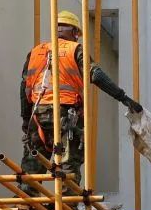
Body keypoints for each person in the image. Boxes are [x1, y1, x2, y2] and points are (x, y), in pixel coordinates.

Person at [19, 11, 139, 189]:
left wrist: (25, 118)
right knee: (68, 166)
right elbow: (96, 75)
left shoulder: (35, 53)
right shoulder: (75, 49)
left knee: (32, 166)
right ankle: (65, 201)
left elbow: (24, 88)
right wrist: (123, 98)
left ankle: (28, 197)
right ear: (74, 31)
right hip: (66, 115)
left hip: (37, 115)